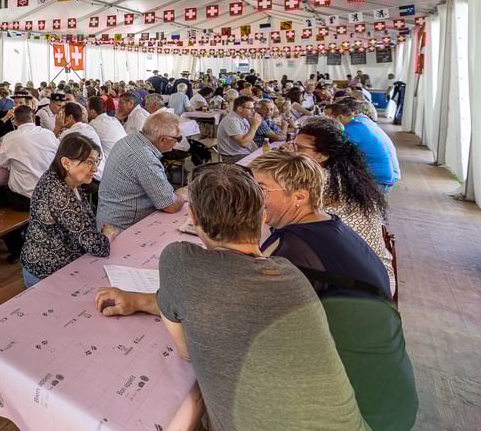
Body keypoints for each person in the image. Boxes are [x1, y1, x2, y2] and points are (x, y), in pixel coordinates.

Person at [93, 162, 371, 431]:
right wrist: (138, 301)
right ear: (263, 217)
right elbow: (218, 299)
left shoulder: (179, 260)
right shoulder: (291, 275)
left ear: (194, 218)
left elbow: (187, 350)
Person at [252, 150, 417, 431]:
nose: (253, 197)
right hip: (390, 394)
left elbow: (252, 316)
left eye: (261, 190)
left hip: (361, 411)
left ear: (299, 196)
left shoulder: (295, 250)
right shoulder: (328, 225)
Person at [286, 118, 396, 289]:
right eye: (293, 146)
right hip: (377, 275)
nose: (293, 153)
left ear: (322, 155)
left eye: (299, 148)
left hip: (360, 285)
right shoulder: (346, 178)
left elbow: (288, 216)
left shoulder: (321, 182)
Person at [20, 134, 117, 287]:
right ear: (66, 163)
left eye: (95, 161)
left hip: (60, 265)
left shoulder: (67, 179)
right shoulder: (58, 192)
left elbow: (85, 224)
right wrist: (107, 235)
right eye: (89, 162)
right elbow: (97, 246)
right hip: (46, 272)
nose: (95, 168)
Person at [96, 111, 186, 231]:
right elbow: (170, 205)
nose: (178, 143)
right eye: (178, 139)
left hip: (109, 218)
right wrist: (182, 193)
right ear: (163, 139)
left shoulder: (130, 140)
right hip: (123, 229)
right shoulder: (146, 159)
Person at [0, 105, 59, 262]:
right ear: (33, 118)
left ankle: (17, 247)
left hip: (25, 200)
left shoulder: (11, 138)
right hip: (50, 194)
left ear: (15, 121)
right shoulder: (48, 135)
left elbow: (0, 162)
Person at [324, 103, 398, 192]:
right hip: (377, 177)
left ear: (340, 117)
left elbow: (336, 152)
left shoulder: (352, 130)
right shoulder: (357, 125)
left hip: (378, 181)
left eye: (329, 118)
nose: (326, 122)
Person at [56, 102, 104, 181]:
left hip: (90, 177)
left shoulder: (68, 133)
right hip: (100, 174)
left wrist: (57, 128)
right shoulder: (89, 127)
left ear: (70, 117)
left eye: (61, 115)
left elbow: (53, 149)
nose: (58, 118)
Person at [216, 95, 261, 163]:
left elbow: (250, 140)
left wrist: (258, 152)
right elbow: (244, 143)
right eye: (250, 109)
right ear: (240, 109)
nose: (253, 111)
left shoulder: (243, 118)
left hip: (244, 153)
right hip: (234, 157)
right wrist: (255, 125)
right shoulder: (231, 120)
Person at [86, 96, 126, 163]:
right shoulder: (114, 119)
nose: (86, 110)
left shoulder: (94, 124)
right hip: (124, 157)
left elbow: (84, 141)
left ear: (92, 111)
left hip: (111, 163)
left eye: (87, 107)